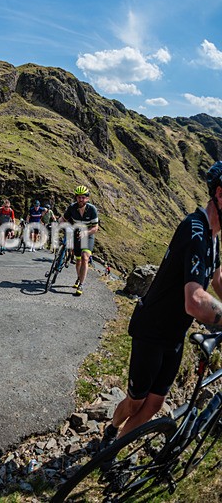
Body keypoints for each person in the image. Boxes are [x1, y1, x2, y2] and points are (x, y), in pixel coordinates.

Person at [101, 162, 222, 448]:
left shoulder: (213, 238)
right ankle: (111, 429)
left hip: (173, 335)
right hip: (151, 330)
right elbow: (195, 301)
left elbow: (218, 279)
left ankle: (111, 455)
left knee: (154, 404)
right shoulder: (194, 231)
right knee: (136, 402)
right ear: (219, 194)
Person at [58, 186, 99, 296]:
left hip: (88, 234)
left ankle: (81, 284)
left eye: (83, 197)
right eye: (79, 197)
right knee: (78, 260)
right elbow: (63, 219)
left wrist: (86, 233)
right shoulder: (72, 208)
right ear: (76, 198)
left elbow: (95, 228)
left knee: (85, 258)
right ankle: (79, 277)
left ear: (87, 198)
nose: (81, 199)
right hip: (76, 234)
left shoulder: (92, 209)